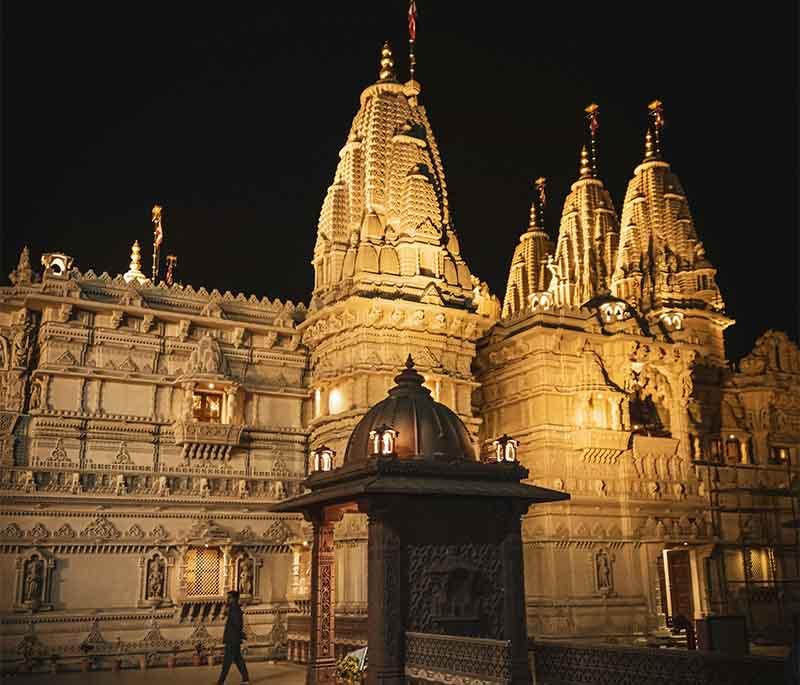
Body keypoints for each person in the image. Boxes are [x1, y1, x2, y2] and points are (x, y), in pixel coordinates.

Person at [216, 590, 249, 685]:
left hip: (232, 639)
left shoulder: (234, 609)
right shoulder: (233, 609)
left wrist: (240, 635)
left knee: (227, 661)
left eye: (229, 597)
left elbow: (237, 625)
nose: (227, 599)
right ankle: (245, 679)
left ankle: (221, 681)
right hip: (233, 638)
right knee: (238, 659)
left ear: (233, 599)